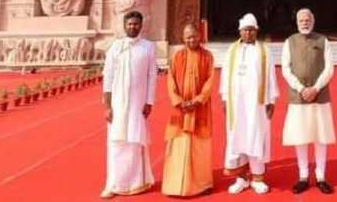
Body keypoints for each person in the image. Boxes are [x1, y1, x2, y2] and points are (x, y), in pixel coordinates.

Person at [102, 11, 157, 199]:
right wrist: (108, 106)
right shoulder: (115, 48)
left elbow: (152, 76)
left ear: (141, 26)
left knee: (134, 141)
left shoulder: (148, 47)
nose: (132, 27)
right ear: (124, 25)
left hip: (137, 104)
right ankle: (113, 184)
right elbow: (107, 78)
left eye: (136, 24)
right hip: (118, 104)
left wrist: (149, 101)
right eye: (130, 24)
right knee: (116, 143)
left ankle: (136, 182)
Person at [221, 13, 278, 196]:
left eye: (252, 30)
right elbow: (224, 75)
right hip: (236, 105)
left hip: (257, 105)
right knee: (237, 138)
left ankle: (257, 179)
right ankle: (241, 178)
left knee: (255, 137)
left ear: (257, 31)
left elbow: (270, 76)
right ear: (240, 31)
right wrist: (224, 97)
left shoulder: (264, 51)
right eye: (245, 30)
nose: (248, 33)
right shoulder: (231, 50)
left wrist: (271, 100)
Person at [281, 8, 336, 195]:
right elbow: (285, 70)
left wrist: (315, 88)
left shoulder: (323, 40)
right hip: (298, 96)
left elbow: (329, 68)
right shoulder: (290, 42)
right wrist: (301, 89)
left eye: (307, 19)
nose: (305, 22)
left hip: (319, 95)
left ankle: (321, 176)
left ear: (313, 20)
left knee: (321, 137)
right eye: (301, 20)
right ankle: (303, 176)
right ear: (296, 22)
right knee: (300, 137)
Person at [163, 24, 215, 197]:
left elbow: (210, 80)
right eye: (188, 37)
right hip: (181, 109)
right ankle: (175, 185)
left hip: (200, 108)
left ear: (199, 36)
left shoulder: (207, 56)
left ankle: (202, 185)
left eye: (194, 36)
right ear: (183, 38)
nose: (191, 40)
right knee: (178, 144)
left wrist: (198, 100)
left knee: (200, 146)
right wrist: (178, 101)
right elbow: (170, 82)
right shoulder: (177, 56)